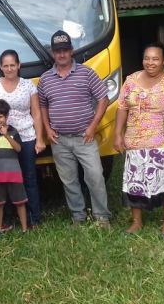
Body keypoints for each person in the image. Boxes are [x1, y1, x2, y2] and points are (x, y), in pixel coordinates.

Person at [114, 42, 164, 239]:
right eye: (147, 58)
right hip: (136, 144)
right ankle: (136, 222)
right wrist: (118, 133)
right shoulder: (131, 81)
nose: (150, 63)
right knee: (136, 184)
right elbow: (122, 107)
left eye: (155, 59)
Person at [38, 30, 112, 227]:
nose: (61, 54)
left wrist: (92, 126)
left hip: (85, 137)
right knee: (69, 181)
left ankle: (102, 217)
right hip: (59, 140)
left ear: (71, 51)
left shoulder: (87, 73)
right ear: (53, 53)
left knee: (95, 176)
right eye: (57, 51)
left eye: (65, 50)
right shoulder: (45, 79)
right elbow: (43, 105)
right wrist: (47, 128)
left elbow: (103, 99)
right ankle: (78, 217)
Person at [0, 49, 45, 228]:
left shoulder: (28, 85)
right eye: (6, 65)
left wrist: (40, 139)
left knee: (28, 177)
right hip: (1, 139)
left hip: (25, 137)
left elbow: (36, 113)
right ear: (0, 67)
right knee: (5, 179)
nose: (9, 69)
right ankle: (8, 219)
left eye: (13, 65)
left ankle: (34, 218)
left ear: (19, 65)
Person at [0, 99, 28, 236]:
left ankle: (25, 229)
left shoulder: (13, 131)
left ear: (7, 117)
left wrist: (6, 135)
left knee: (20, 201)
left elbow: (19, 149)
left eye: (0, 116)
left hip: (14, 174)